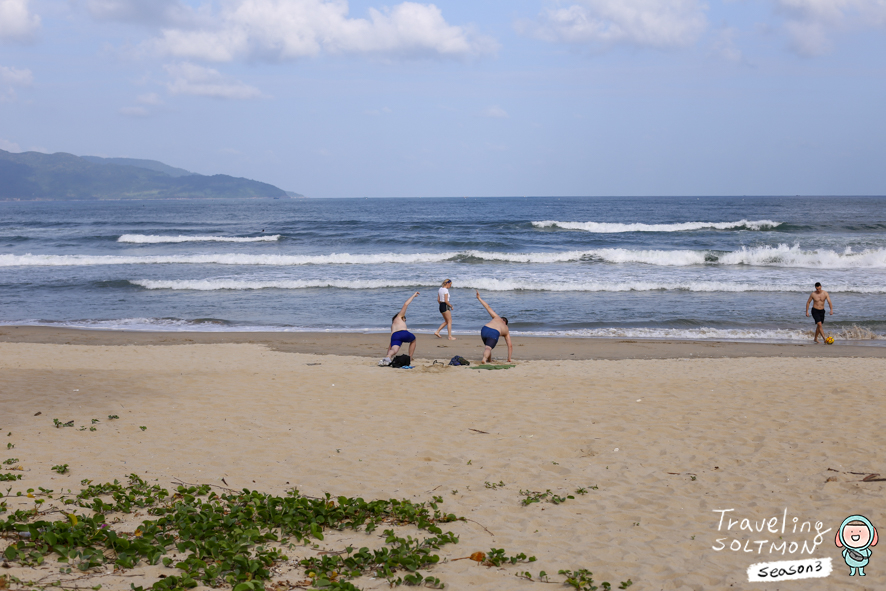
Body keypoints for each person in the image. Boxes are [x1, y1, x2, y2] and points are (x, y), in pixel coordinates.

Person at [379, 291, 420, 366]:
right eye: (405, 319)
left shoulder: (393, 325)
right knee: (413, 340)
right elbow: (406, 304)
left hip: (395, 336)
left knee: (394, 349)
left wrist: (387, 354)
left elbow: (391, 343)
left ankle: (387, 357)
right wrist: (413, 295)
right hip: (403, 333)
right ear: (403, 317)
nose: (405, 320)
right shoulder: (399, 316)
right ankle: (410, 358)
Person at [475, 291, 512, 364]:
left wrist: (479, 298)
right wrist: (509, 358)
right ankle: (484, 359)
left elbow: (487, 307)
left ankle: (489, 360)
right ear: (505, 323)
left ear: (501, 319)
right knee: (488, 348)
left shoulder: (496, 317)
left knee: (487, 346)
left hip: (485, 329)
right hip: (494, 332)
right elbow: (509, 345)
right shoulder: (506, 329)